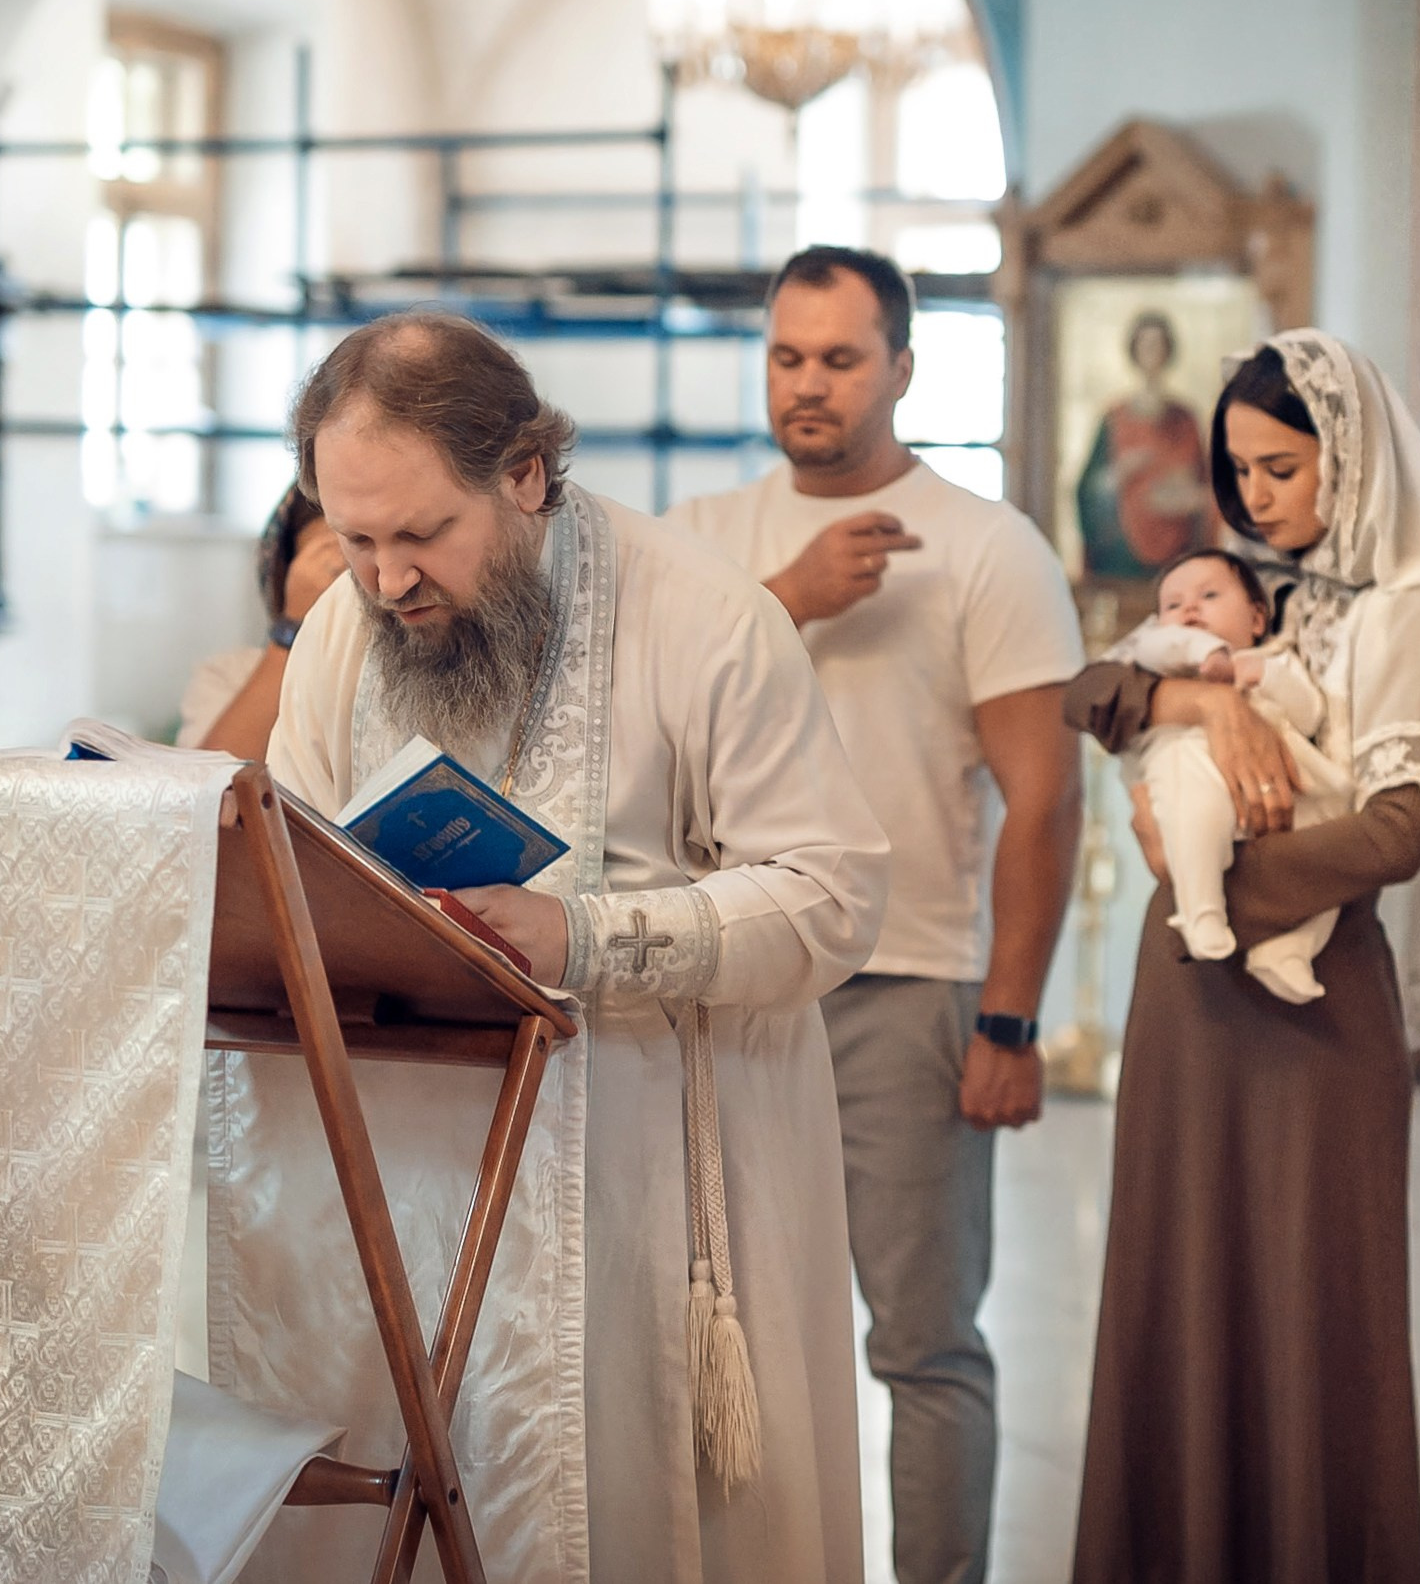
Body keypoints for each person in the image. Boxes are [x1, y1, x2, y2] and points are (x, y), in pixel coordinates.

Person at [217, 311, 889, 1583]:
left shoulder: (707, 619)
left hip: (644, 1184)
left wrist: (585, 934)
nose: (387, 581)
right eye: (356, 540)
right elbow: (300, 850)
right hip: (414, 1189)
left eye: (422, 535)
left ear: (525, 473)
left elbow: (832, 895)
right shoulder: (345, 634)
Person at [1062, 328, 1420, 1583]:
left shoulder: (1416, 607)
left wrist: (1196, 876)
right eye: (1239, 471)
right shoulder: (1249, 591)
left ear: (1355, 458)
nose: (1256, 496)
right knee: (1176, 1294)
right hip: (1186, 1004)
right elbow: (1091, 693)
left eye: (1280, 468)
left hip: (1314, 1011)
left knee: (1314, 1315)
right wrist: (1202, 700)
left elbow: (1397, 833)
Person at [665, 245, 1083, 1584]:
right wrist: (787, 601)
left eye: (841, 358)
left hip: (908, 987)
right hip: (725, 978)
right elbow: (642, 730)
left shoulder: (985, 546)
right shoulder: (704, 539)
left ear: (902, 368)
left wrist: (1009, 1016)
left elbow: (1047, 799)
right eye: (789, 355)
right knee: (728, 1328)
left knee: (922, 1341)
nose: (810, 384)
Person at [1112, 547, 1354, 1001]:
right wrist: (1207, 654)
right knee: (1190, 794)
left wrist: (1257, 673)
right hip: (1194, 774)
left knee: (1331, 841)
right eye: (1173, 604)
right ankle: (1201, 911)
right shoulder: (1159, 669)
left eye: (1209, 594)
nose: (1189, 609)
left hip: (1285, 790)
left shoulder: (1277, 661)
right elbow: (1156, 645)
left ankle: (1288, 951)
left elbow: (1309, 712)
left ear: (1257, 619)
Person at [176, 483, 346, 755]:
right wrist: (290, 634)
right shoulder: (231, 675)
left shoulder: (423, 680)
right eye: (333, 569)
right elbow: (208, 789)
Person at [1075, 309, 1216, 577]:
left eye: (1159, 345)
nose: (1153, 353)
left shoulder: (1185, 420)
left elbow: (1206, 487)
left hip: (1176, 551)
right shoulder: (1114, 420)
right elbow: (1087, 492)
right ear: (1134, 350)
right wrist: (1118, 474)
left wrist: (1189, 496)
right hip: (1123, 554)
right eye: (1146, 345)